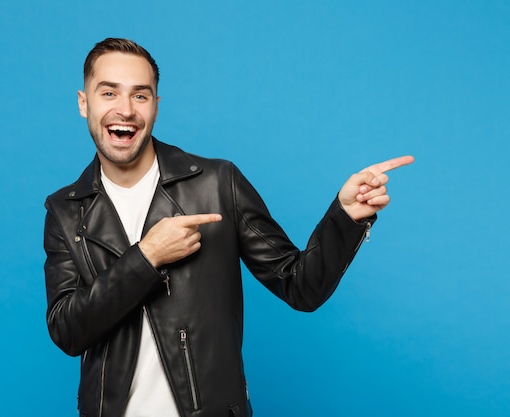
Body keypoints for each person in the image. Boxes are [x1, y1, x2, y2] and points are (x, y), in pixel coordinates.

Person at [43, 37, 414, 417]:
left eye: (140, 96)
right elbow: (68, 331)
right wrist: (148, 256)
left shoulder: (218, 183)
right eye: (109, 93)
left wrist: (345, 217)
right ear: (83, 102)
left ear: (155, 106)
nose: (125, 110)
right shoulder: (65, 212)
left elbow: (300, 286)